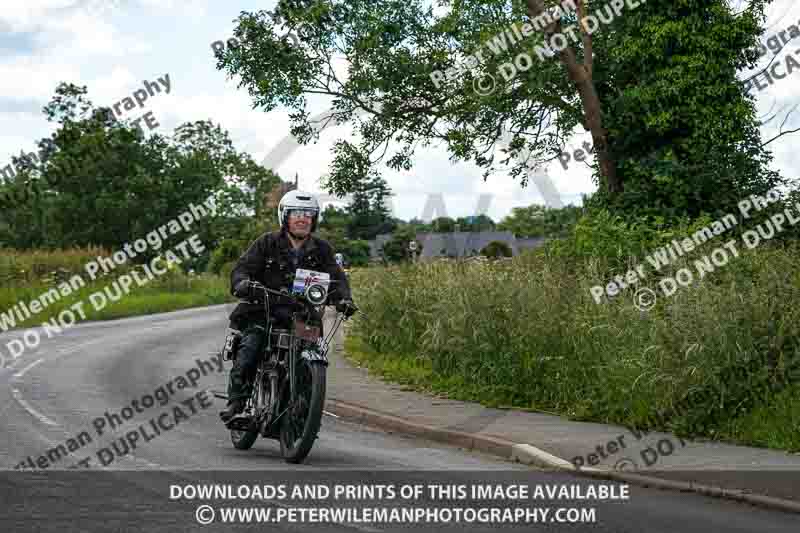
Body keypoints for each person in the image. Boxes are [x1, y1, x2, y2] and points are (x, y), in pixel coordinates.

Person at [220, 190, 356, 423]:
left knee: (310, 356)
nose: (302, 218)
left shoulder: (322, 250)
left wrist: (344, 299)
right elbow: (242, 268)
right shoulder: (266, 243)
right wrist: (242, 282)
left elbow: (337, 277)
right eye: (296, 214)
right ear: (285, 216)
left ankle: (302, 409)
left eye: (308, 214)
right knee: (250, 347)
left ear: (314, 219)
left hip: (303, 316)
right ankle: (238, 403)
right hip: (264, 311)